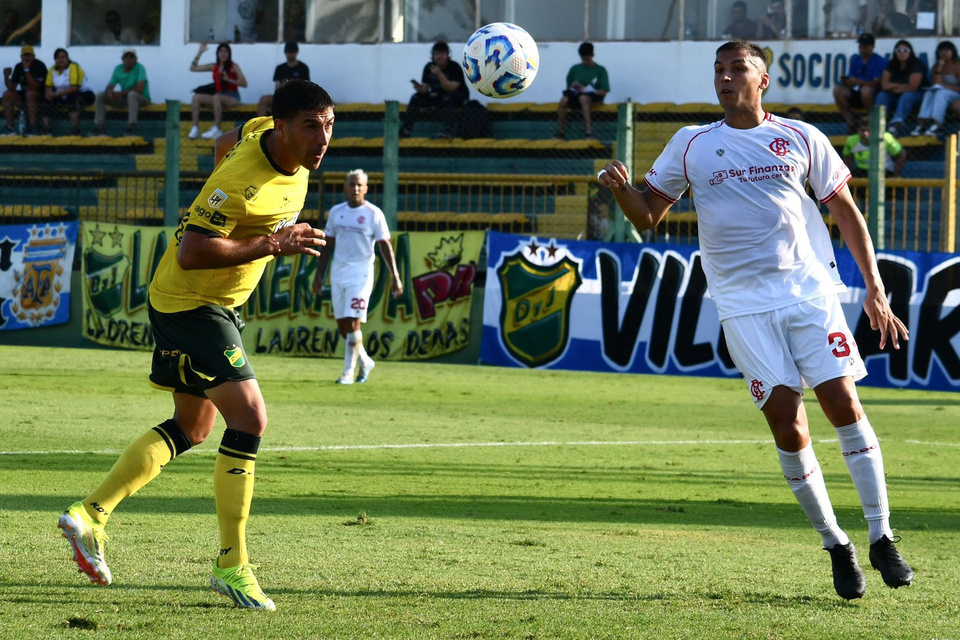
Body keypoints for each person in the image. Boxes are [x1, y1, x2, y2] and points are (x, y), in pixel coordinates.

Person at [596, 41, 913, 601]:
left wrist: (874, 291)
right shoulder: (691, 144)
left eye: (737, 68)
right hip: (742, 307)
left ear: (763, 80)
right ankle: (836, 544)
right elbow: (648, 216)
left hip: (809, 293)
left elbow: (845, 211)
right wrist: (623, 190)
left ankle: (882, 535)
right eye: (718, 70)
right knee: (789, 428)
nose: (725, 78)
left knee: (843, 404)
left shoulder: (801, 137)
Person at [57, 79, 333, 611]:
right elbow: (192, 251)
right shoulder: (239, 183)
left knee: (192, 427)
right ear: (282, 126)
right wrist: (274, 243)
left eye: (328, 126)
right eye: (310, 126)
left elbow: (221, 140)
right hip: (193, 302)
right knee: (250, 418)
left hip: (197, 303)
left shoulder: (259, 133)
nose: (322, 139)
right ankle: (233, 565)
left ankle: (90, 515)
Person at [312, 169, 402, 384]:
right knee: (343, 326)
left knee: (353, 322)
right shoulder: (336, 212)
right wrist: (319, 275)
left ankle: (348, 372)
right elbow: (328, 246)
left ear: (366, 189)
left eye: (360, 185)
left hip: (361, 274)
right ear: (346, 187)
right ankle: (365, 361)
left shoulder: (373, 214)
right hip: (338, 273)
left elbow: (385, 245)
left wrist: (395, 276)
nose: (356, 189)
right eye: (352, 184)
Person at [399, 41, 469, 139]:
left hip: (456, 97)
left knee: (448, 97)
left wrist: (439, 74)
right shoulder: (429, 67)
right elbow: (426, 87)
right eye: (437, 54)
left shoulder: (454, 67)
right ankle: (406, 130)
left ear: (447, 55)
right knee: (415, 97)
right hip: (437, 97)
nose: (439, 57)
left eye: (442, 54)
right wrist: (420, 88)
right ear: (433, 55)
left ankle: (448, 131)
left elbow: (450, 87)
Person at [189, 42, 248, 140]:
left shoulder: (234, 66)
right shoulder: (214, 66)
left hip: (232, 97)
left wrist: (228, 79)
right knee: (196, 97)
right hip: (218, 97)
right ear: (217, 54)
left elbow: (244, 83)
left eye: (226, 51)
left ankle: (217, 128)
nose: (223, 54)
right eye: (221, 51)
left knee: (216, 97)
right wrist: (200, 53)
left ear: (229, 54)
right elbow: (193, 68)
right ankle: (195, 128)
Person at [555, 41, 610, 140]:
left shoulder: (600, 70)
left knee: (583, 98)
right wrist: (574, 86)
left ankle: (589, 132)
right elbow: (568, 88)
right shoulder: (575, 69)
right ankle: (561, 132)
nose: (585, 61)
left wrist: (587, 89)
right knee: (563, 100)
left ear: (592, 55)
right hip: (576, 95)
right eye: (583, 59)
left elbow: (604, 91)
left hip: (592, 97)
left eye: (587, 59)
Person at [832, 33, 885, 133]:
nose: (862, 50)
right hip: (860, 95)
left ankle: (871, 120)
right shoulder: (856, 59)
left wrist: (858, 81)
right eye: (860, 47)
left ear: (872, 47)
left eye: (865, 47)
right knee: (838, 90)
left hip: (874, 96)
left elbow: (877, 84)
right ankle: (851, 123)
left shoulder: (880, 61)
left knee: (866, 90)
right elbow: (853, 80)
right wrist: (848, 81)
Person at [93, 48, 151, 136]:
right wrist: (109, 92)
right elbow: (110, 86)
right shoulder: (118, 69)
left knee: (132, 95)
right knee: (100, 95)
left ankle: (131, 128)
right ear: (122, 59)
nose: (129, 59)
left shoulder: (140, 68)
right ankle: (100, 128)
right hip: (125, 99)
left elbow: (139, 89)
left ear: (136, 59)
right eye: (126, 57)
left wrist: (119, 93)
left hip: (142, 99)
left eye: (131, 57)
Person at [875, 40, 926, 137]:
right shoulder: (891, 64)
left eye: (905, 50)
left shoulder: (917, 64)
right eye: (899, 50)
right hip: (895, 93)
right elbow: (884, 86)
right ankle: (877, 123)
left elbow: (913, 87)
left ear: (910, 52)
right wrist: (901, 87)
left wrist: (893, 86)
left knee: (906, 96)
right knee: (882, 95)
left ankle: (895, 124)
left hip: (916, 95)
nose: (902, 53)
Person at [911, 41, 960, 137]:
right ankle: (922, 123)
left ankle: (937, 124)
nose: (944, 53)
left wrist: (947, 87)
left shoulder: (958, 65)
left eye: (947, 50)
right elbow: (936, 84)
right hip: (943, 93)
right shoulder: (936, 67)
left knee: (941, 93)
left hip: (956, 94)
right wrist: (940, 68)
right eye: (941, 50)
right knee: (929, 93)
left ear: (953, 51)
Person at [42, 48, 95, 136]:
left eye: (63, 57)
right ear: (55, 60)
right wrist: (49, 93)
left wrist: (56, 94)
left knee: (72, 98)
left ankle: (75, 129)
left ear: (67, 58)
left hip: (84, 94)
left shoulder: (74, 67)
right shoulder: (52, 70)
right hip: (61, 95)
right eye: (58, 58)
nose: (61, 60)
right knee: (44, 100)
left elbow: (75, 88)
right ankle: (46, 129)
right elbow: (48, 86)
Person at [2, 45, 47, 136]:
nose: (27, 57)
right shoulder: (19, 66)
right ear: (21, 57)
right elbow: (12, 88)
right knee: (7, 95)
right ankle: (10, 128)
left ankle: (32, 127)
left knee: (30, 93)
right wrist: (6, 76)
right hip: (25, 94)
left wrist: (27, 69)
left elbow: (34, 87)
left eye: (29, 55)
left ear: (34, 56)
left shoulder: (39, 65)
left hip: (40, 95)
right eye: (25, 55)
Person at [257, 41, 310, 116]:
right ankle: (261, 125)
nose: (291, 54)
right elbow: (277, 86)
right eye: (289, 52)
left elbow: (306, 87)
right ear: (285, 52)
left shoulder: (303, 68)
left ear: (297, 52)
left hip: (297, 97)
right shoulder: (280, 68)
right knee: (264, 100)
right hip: (282, 96)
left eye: (293, 52)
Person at [843, 117, 907, 177]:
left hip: (883, 171)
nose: (866, 133)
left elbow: (901, 154)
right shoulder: (852, 141)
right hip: (861, 171)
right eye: (862, 130)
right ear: (858, 131)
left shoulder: (886, 138)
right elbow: (847, 156)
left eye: (869, 130)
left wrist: (895, 174)